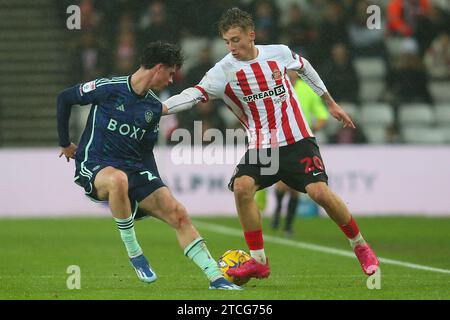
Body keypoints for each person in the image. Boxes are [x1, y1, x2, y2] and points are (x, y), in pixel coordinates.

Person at [163, 8, 379, 280]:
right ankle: (259, 261)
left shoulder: (278, 53)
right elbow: (192, 95)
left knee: (320, 193)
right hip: (263, 148)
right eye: (227, 42)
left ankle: (360, 245)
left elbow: (304, 67)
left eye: (236, 40)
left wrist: (329, 102)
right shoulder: (223, 71)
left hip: (298, 139)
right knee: (242, 188)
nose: (232, 47)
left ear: (251, 35)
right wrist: (160, 108)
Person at [56, 41, 241, 290]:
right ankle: (135, 254)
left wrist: (155, 184)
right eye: (171, 73)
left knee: (179, 213)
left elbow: (145, 151)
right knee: (117, 179)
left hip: (134, 168)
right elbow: (65, 97)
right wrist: (65, 142)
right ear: (158, 68)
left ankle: (216, 278)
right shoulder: (109, 88)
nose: (172, 80)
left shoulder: (153, 108)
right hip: (96, 165)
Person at [271, 71, 329, 237]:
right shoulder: (274, 88)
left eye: (291, 69)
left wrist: (310, 129)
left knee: (294, 187)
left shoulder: (307, 90)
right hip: (279, 140)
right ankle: (277, 212)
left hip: (299, 143)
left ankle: (288, 224)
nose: (289, 73)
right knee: (281, 184)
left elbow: (322, 115)